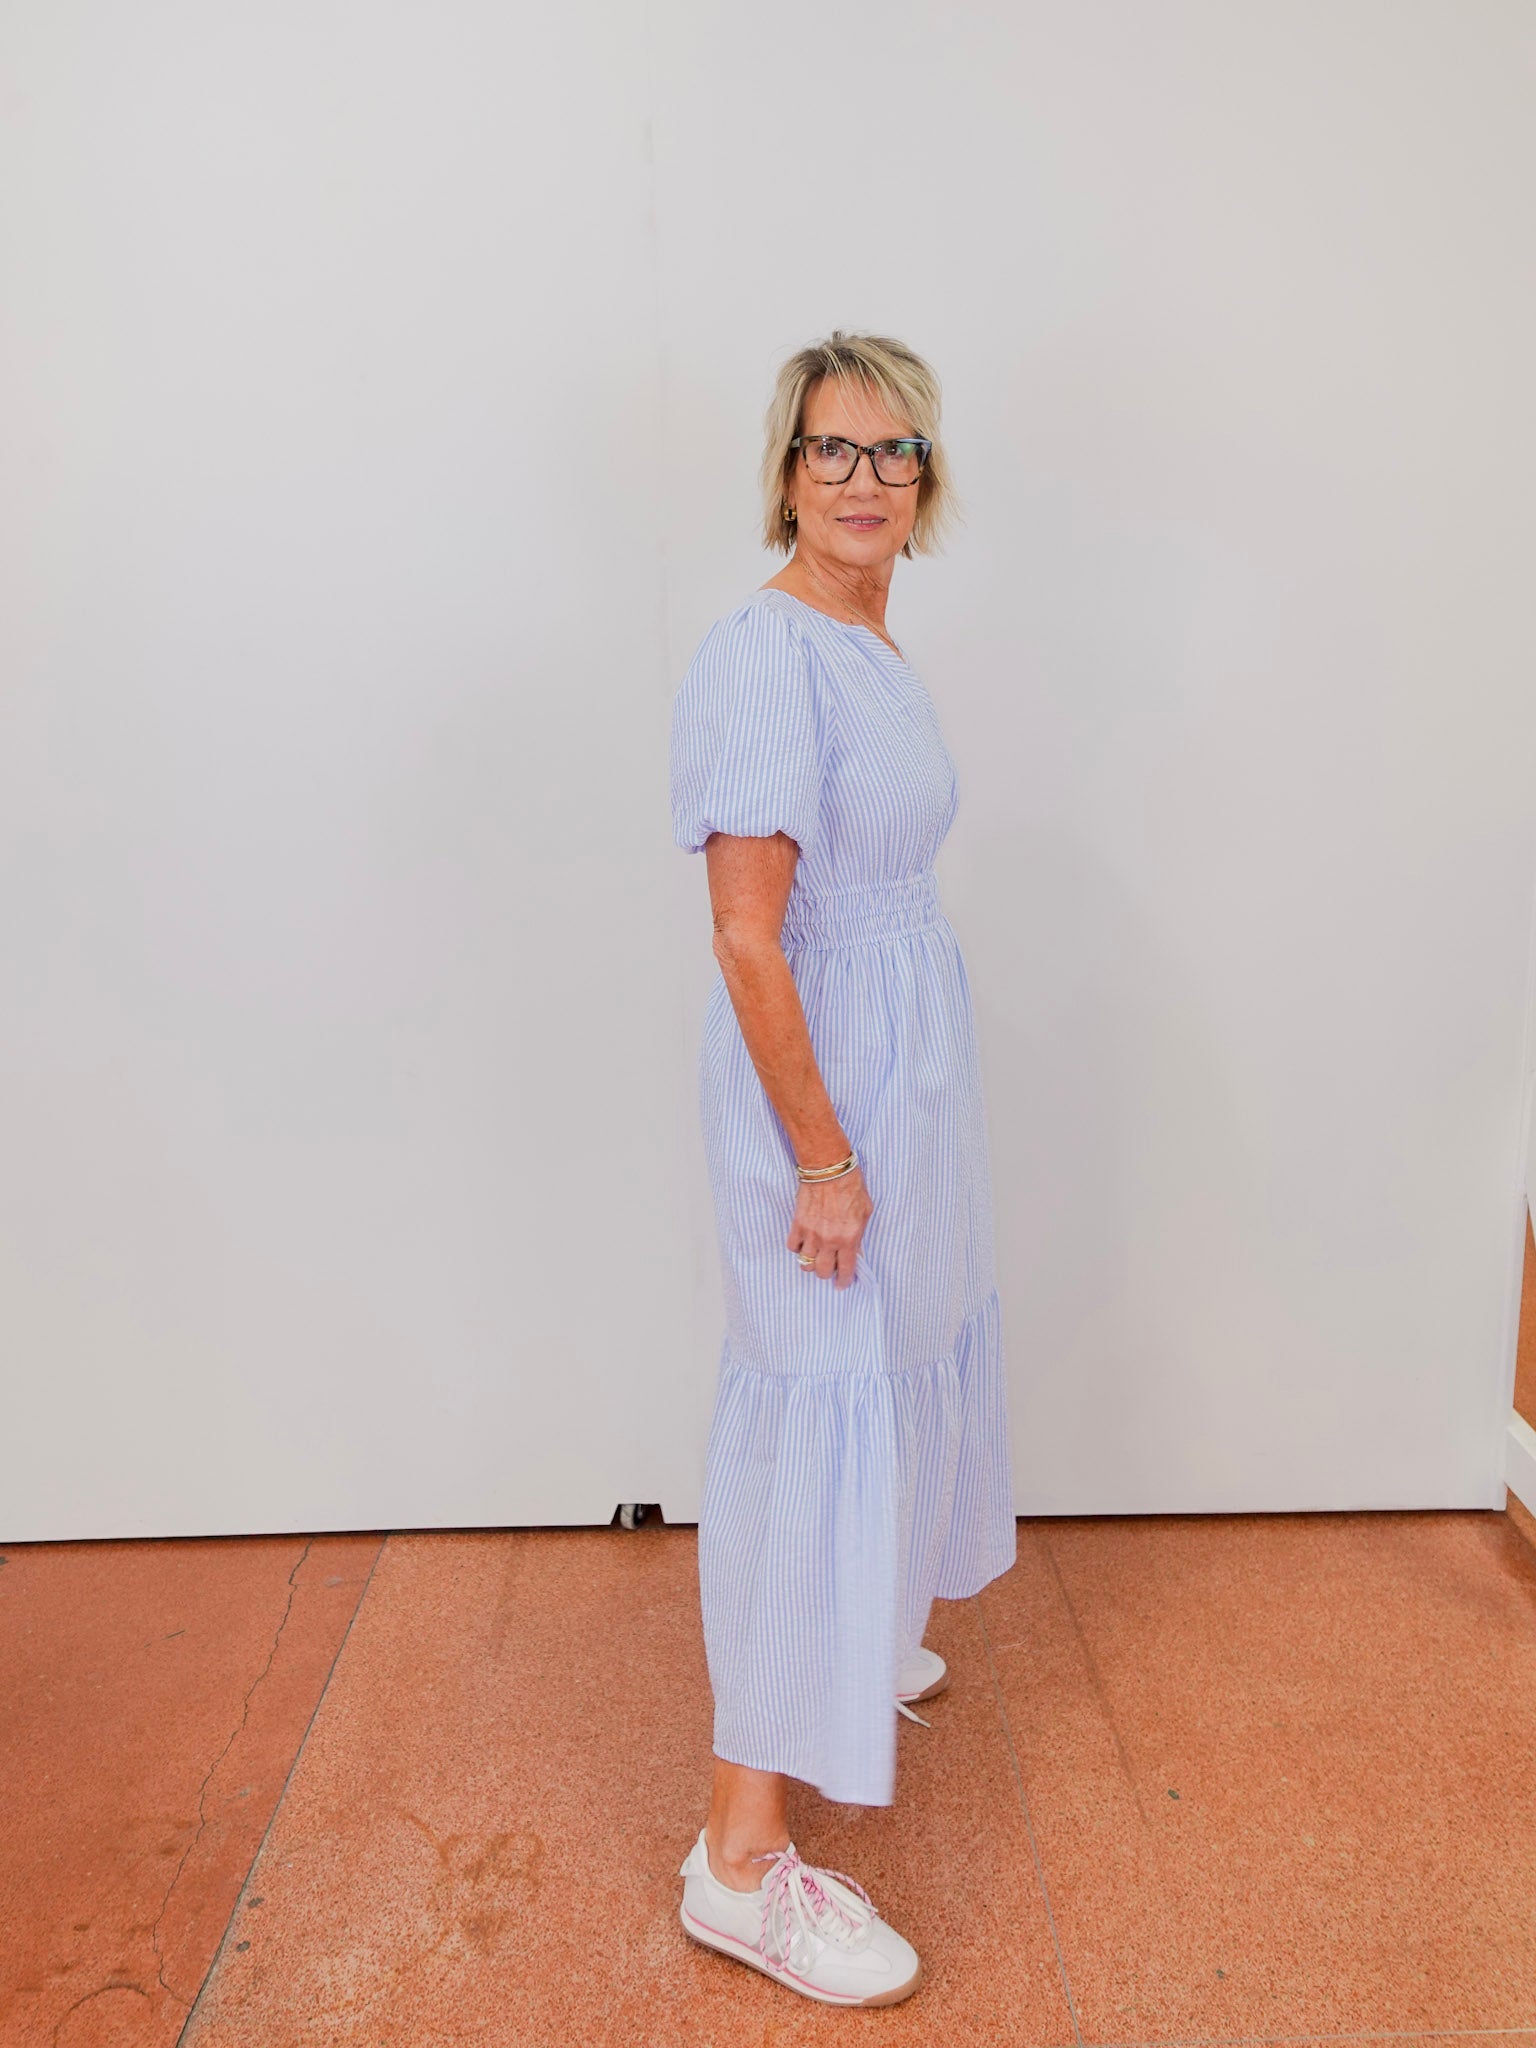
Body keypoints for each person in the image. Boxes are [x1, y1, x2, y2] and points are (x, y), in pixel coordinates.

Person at [667, 330, 1017, 2007]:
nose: (862, 480)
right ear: (784, 472)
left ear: (925, 481)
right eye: (830, 451)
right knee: (815, 1399)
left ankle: (859, 1639)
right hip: (824, 1096)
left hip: (901, 1073)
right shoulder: (763, 653)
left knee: (899, 1355)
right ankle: (740, 1864)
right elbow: (748, 940)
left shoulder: (875, 635)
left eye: (893, 454)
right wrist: (823, 1156)